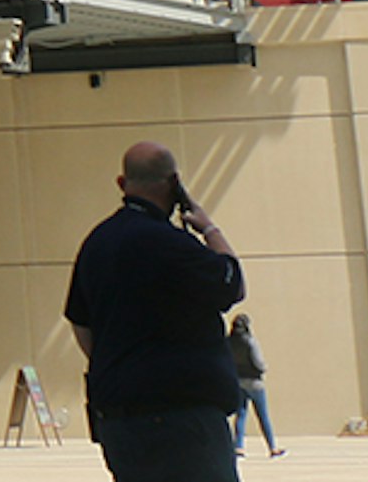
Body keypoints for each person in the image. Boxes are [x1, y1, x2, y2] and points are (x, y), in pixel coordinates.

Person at [62, 141, 246, 481]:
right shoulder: (170, 243)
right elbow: (232, 282)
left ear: (122, 184)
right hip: (183, 418)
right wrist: (208, 227)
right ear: (175, 184)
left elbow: (81, 323)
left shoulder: (97, 243)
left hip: (118, 421)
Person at [227, 313, 281, 456]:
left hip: (239, 381)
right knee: (263, 416)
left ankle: (238, 446)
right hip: (255, 382)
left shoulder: (229, 342)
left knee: (241, 414)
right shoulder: (250, 342)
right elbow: (259, 362)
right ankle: (272, 447)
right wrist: (264, 368)